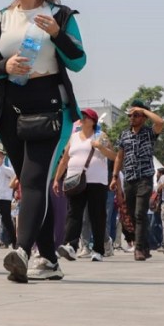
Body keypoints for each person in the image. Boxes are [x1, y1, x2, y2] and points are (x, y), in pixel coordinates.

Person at [0, 0, 87, 283]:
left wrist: (56, 33)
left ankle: (22, 251)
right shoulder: (0, 19)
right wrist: (5, 66)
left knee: (33, 181)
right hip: (10, 107)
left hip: (49, 107)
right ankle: (51, 260)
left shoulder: (60, 15)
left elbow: (78, 60)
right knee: (31, 183)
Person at [54, 108, 114, 263]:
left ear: (92, 120)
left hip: (96, 182)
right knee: (74, 213)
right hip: (75, 180)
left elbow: (114, 156)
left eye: (85, 116)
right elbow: (64, 160)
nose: (81, 118)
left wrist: (100, 147)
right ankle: (70, 246)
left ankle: (98, 250)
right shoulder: (73, 137)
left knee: (97, 216)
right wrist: (56, 179)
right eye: (81, 116)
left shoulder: (101, 136)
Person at [113, 100, 164, 261]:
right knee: (132, 215)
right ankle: (146, 245)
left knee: (140, 213)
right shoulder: (124, 134)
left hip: (145, 178)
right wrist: (115, 176)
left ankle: (139, 248)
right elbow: (119, 156)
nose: (132, 117)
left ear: (143, 117)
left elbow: (160, 122)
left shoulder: (149, 132)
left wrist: (143, 109)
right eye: (131, 115)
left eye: (136, 115)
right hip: (129, 179)